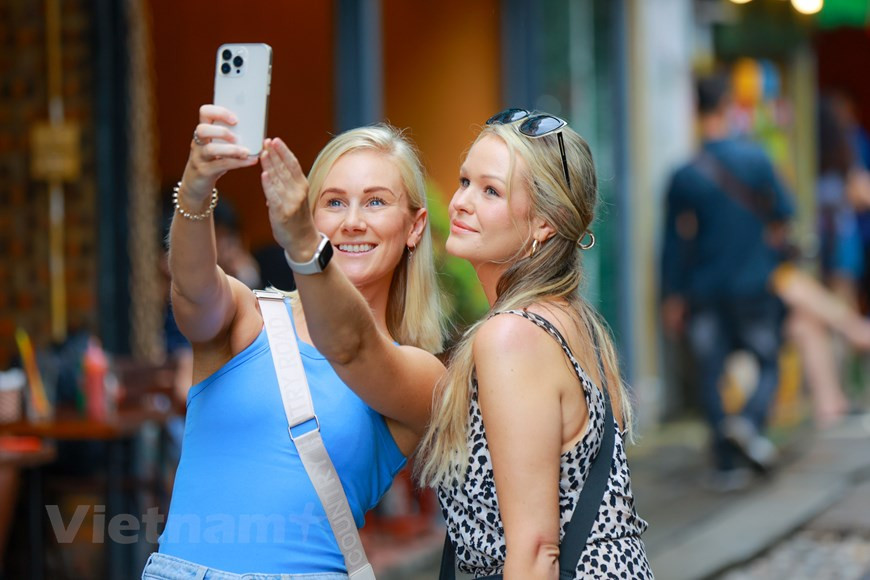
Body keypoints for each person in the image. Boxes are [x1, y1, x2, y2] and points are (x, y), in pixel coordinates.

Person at [142, 105, 446, 578]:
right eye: (334, 202)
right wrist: (197, 192)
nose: (352, 221)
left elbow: (350, 346)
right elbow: (193, 290)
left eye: (376, 202)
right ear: (310, 212)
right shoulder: (249, 317)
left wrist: (305, 246)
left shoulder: (422, 375)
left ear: (415, 226)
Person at [416, 109, 652, 579]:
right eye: (465, 181)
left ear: (545, 223)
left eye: (491, 191)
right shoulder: (575, 322)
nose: (461, 202)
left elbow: (536, 549)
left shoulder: (512, 335)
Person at [660, 75, 794, 488]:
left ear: (696, 113)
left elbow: (672, 244)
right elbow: (786, 212)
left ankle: (726, 462)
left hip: (704, 289)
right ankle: (750, 424)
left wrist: (672, 296)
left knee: (710, 371)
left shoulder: (684, 175)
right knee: (767, 360)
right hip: (754, 284)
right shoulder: (757, 160)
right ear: (728, 107)